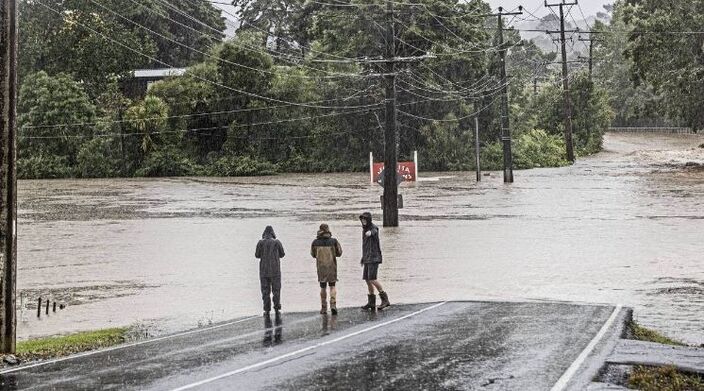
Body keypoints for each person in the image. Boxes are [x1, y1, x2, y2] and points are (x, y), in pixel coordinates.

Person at [358, 212, 390, 311]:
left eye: (365, 219)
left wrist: (370, 233)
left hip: (374, 258)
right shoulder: (364, 229)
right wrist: (363, 257)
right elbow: (365, 246)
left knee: (372, 278)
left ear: (368, 220)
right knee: (367, 279)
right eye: (362, 219)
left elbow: (374, 231)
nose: (363, 221)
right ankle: (371, 302)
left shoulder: (373, 228)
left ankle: (385, 300)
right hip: (367, 258)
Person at [311, 223, 343, 315]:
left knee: (323, 287)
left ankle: (323, 308)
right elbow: (339, 253)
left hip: (321, 268)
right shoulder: (333, 241)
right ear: (328, 230)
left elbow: (313, 254)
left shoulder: (315, 242)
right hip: (331, 266)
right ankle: (333, 305)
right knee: (332, 286)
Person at [255, 226, 285, 315]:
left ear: (264, 233)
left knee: (265, 290)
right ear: (273, 233)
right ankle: (277, 307)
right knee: (276, 289)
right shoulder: (277, 242)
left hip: (263, 270)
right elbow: (282, 254)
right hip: (275, 270)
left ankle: (266, 308)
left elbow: (257, 255)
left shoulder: (260, 243)